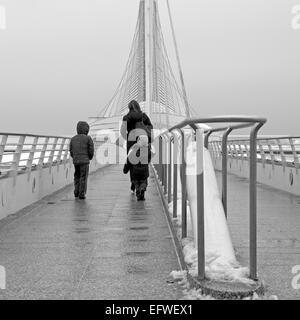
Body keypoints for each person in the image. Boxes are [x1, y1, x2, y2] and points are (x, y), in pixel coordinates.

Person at [120, 100, 153, 193]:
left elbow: (122, 131)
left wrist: (129, 137)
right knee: (143, 161)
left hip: (131, 142)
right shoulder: (144, 116)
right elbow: (151, 127)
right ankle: (143, 184)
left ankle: (134, 183)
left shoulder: (126, 117)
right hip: (143, 141)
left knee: (131, 162)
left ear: (129, 108)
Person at [69, 121, 94, 200]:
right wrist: (89, 157)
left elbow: (71, 150)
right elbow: (91, 150)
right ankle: (81, 193)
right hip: (85, 161)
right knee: (83, 177)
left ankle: (76, 192)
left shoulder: (73, 139)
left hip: (76, 161)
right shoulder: (88, 138)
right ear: (86, 130)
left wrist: (74, 157)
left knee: (77, 176)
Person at [124, 135, 152, 201]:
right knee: (144, 182)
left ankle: (138, 192)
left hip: (135, 171)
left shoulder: (133, 149)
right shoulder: (148, 150)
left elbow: (129, 160)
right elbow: (149, 160)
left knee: (136, 183)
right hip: (144, 171)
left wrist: (125, 169)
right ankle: (142, 189)